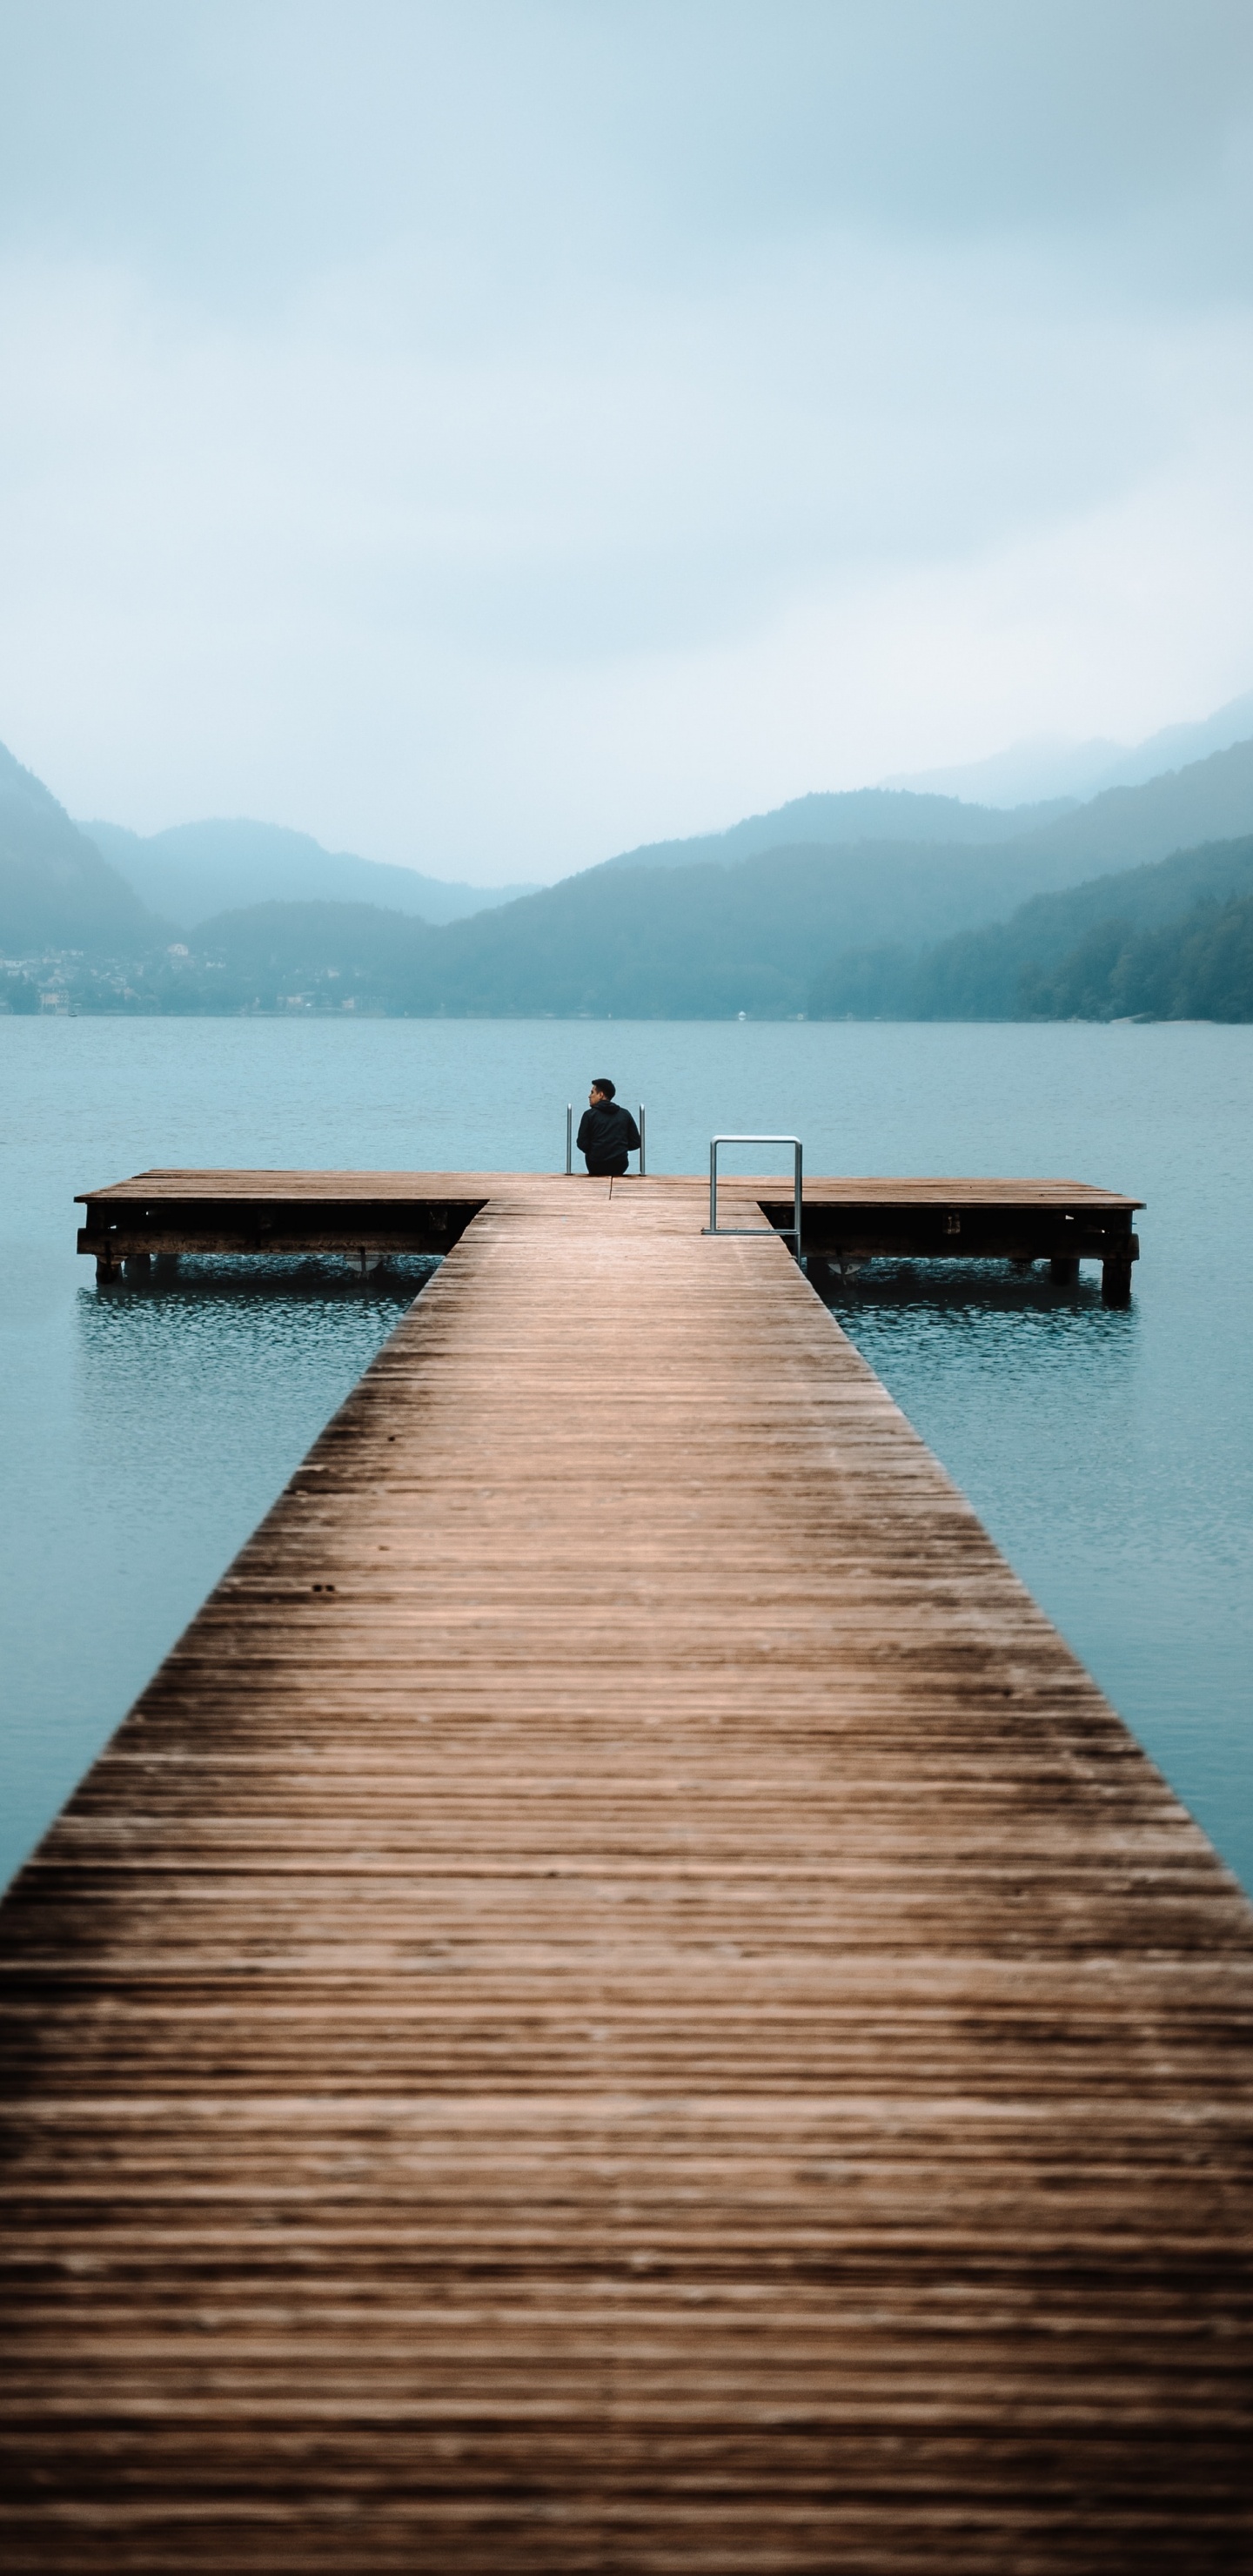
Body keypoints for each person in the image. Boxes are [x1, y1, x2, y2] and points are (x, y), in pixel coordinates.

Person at [576, 1078, 640, 1177]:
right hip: (620, 1165)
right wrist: (620, 1148)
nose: (589, 1096)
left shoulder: (589, 1115)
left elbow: (582, 1143)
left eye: (592, 1092)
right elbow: (636, 1142)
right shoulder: (625, 1114)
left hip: (595, 1165)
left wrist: (594, 1150)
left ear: (601, 1095)